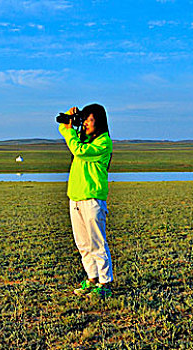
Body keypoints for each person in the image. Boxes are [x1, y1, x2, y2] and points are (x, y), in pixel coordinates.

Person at [58, 103, 114, 298]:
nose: (86, 124)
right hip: (75, 197)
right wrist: (70, 117)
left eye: (90, 120)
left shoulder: (103, 142)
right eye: (85, 120)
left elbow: (78, 150)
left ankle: (105, 283)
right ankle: (92, 278)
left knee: (97, 243)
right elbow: (62, 126)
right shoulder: (83, 139)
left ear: (99, 122)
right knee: (82, 243)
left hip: (92, 199)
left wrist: (69, 131)